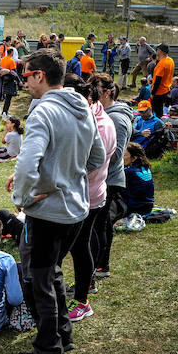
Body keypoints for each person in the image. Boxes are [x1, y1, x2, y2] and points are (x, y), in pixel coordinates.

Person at [6, 49, 106, 354]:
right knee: (52, 273)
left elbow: (27, 162)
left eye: (26, 75)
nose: (24, 82)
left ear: (39, 75)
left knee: (41, 282)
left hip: (49, 213)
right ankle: (64, 334)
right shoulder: (84, 108)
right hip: (77, 209)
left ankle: (49, 353)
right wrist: (67, 177)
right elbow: (96, 158)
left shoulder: (43, 112)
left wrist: (22, 198)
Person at [60, 74, 116, 323]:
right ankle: (81, 294)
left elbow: (90, 166)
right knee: (77, 246)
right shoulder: (89, 118)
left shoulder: (100, 126)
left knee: (76, 247)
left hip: (87, 197)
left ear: (85, 98)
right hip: (82, 194)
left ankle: (82, 299)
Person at [90, 73, 134, 280]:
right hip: (102, 178)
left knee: (102, 225)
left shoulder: (116, 118)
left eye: (96, 90)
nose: (91, 94)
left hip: (110, 180)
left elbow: (117, 154)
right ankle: (98, 264)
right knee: (99, 225)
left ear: (107, 93)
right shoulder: (104, 114)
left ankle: (101, 265)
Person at [122, 142, 155, 216]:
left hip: (135, 209)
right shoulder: (146, 168)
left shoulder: (129, 172)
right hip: (148, 207)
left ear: (134, 158)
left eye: (124, 155)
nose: (121, 157)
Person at [149, 43, 175, 118]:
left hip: (159, 92)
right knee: (163, 113)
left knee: (157, 114)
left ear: (160, 51)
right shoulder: (170, 60)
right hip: (167, 90)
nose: (156, 51)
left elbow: (158, 80)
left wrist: (153, 93)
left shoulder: (162, 64)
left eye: (157, 50)